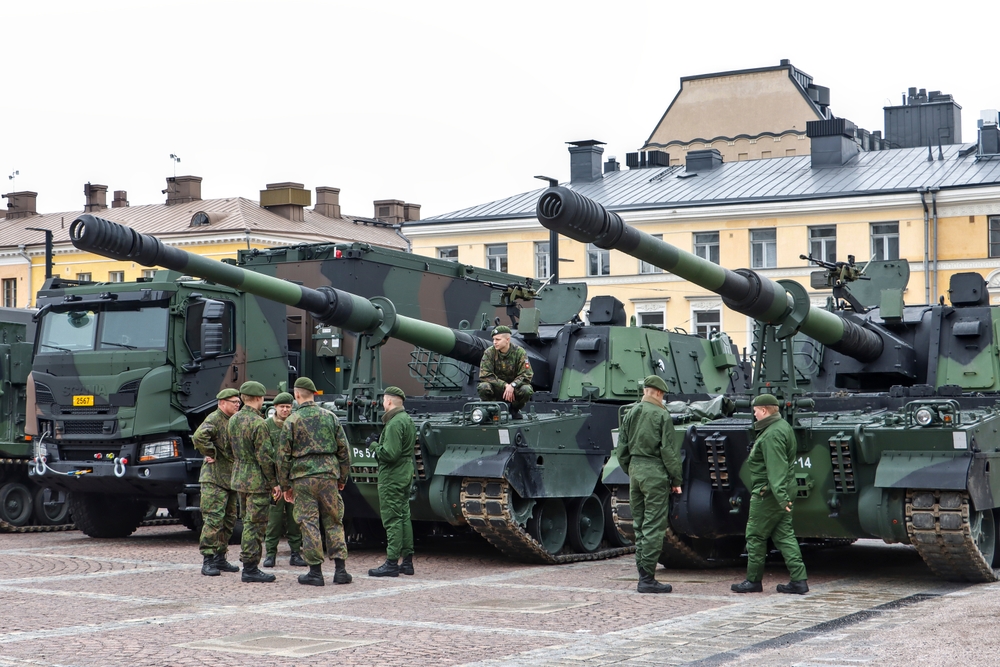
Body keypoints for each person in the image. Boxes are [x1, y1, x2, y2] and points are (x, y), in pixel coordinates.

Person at [277, 376, 353, 586]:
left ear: (296, 395)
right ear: (314, 394)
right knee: (334, 521)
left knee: (309, 523)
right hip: (328, 476)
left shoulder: (292, 420)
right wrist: (342, 477)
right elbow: (344, 451)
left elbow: (282, 457)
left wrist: (285, 486)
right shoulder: (330, 417)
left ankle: (315, 572)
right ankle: (340, 571)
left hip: (302, 479)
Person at [732, 394, 809, 595]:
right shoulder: (782, 427)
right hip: (780, 490)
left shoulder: (771, 434)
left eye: (756, 411)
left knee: (755, 535)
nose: (754, 415)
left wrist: (780, 496)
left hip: (768, 492)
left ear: (764, 411)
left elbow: (776, 469)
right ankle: (799, 580)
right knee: (784, 535)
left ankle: (753, 580)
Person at [615, 375, 682, 594]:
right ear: (660, 394)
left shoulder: (631, 412)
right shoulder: (662, 415)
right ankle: (647, 578)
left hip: (635, 470)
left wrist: (631, 469)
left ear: (645, 391)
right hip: (654, 472)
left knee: (640, 524)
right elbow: (668, 451)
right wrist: (676, 479)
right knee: (654, 525)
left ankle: (643, 573)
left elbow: (621, 448)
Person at [229, 380, 278, 583]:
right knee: (254, 525)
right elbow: (265, 457)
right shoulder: (258, 423)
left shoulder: (233, 420)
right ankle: (250, 567)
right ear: (259, 399)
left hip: (239, 476)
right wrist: (274, 482)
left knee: (247, 521)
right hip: (256, 480)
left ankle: (248, 563)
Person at [368, 386, 416, 577]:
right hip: (404, 472)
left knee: (393, 518)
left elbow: (389, 454)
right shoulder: (407, 419)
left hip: (393, 475)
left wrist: (373, 445)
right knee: (404, 516)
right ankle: (407, 562)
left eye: (383, 400)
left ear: (388, 401)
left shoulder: (395, 423)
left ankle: (391, 562)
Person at [194, 388, 242, 576]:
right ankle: (208, 559)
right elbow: (199, 437)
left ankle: (221, 558)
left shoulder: (234, 420)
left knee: (229, 520)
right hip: (213, 478)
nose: (237, 404)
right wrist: (211, 452)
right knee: (213, 519)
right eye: (233, 402)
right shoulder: (214, 419)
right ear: (222, 403)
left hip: (229, 478)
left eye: (238, 402)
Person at [262, 392, 306, 569]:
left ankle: (296, 553)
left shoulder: (295, 423)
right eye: (282, 407)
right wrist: (274, 482)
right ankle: (270, 553)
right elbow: (265, 455)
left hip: (294, 480)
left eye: (288, 407)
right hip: (276, 482)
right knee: (274, 520)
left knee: (295, 519)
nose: (285, 410)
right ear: (276, 408)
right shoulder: (267, 426)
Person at [477, 325, 533, 420]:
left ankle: (514, 409)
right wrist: (505, 385)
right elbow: (485, 375)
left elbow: (527, 374)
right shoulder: (489, 353)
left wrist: (512, 385)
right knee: (483, 387)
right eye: (494, 339)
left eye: (498, 339)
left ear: (507, 339)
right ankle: (492, 410)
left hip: (514, 391)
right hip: (496, 389)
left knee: (527, 389)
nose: (494, 342)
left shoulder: (520, 353)